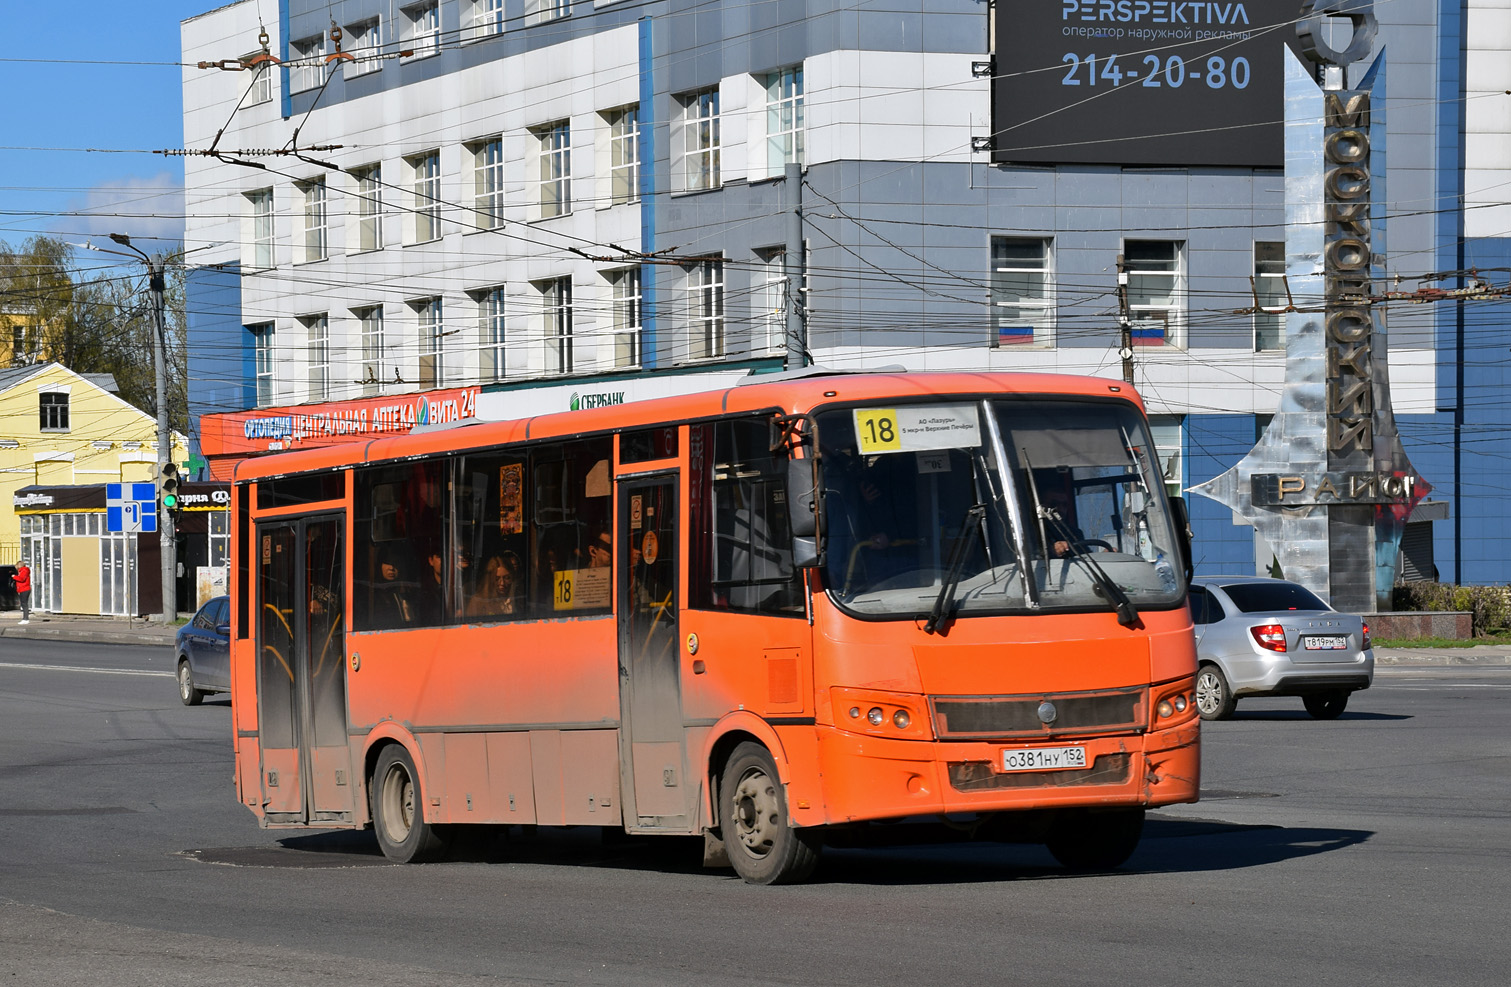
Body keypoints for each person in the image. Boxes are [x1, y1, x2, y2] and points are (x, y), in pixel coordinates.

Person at [370, 549, 415, 629]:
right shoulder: (373, 595)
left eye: (395, 563)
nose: (391, 568)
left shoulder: (407, 593)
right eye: (387, 563)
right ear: (379, 566)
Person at [467, 552, 521, 618]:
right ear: (490, 579)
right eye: (497, 579)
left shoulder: (519, 597)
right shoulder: (478, 601)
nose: (502, 583)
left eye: (507, 578)